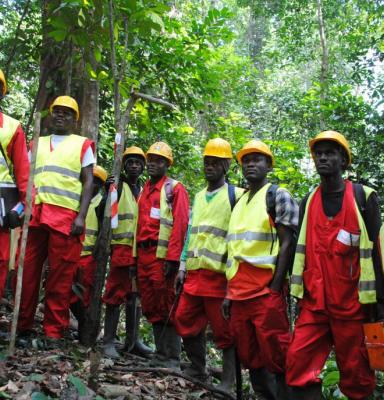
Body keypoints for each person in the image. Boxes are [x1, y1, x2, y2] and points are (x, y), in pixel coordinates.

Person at [286, 131, 384, 400]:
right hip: (314, 305)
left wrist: (381, 303)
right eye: (318, 153)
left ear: (343, 159)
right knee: (297, 363)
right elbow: (299, 251)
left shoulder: (363, 198)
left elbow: (378, 252)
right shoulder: (308, 202)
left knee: (357, 376)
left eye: (330, 153)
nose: (322, 158)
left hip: (352, 308)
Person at [222, 139, 298, 399]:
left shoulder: (277, 195)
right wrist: (228, 293)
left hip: (265, 292)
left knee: (277, 353)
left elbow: (288, 242)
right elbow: (234, 251)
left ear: (268, 165)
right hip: (239, 294)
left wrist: (276, 286)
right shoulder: (240, 201)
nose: (251, 164)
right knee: (250, 356)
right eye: (246, 160)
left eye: (257, 159)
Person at [16, 95, 95, 347]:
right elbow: (25, 177)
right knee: (27, 272)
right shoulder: (36, 143)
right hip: (35, 215)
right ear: (50, 115)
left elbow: (88, 181)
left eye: (67, 112)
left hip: (65, 218)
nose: (61, 115)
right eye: (57, 111)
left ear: (75, 120)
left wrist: (81, 216)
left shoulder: (82, 144)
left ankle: (53, 332)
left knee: (60, 279)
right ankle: (22, 326)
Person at [174, 138, 243, 390]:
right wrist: (182, 266)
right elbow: (190, 233)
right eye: (207, 162)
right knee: (183, 319)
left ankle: (227, 381)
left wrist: (234, 280)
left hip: (219, 277)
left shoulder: (236, 196)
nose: (209, 166)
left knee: (224, 331)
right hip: (194, 275)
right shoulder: (200, 196)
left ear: (226, 166)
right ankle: (198, 367)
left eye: (215, 162)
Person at [136, 141, 189, 369]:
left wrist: (172, 259)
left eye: (159, 160)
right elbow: (138, 226)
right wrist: (134, 258)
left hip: (162, 256)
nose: (153, 164)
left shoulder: (174, 189)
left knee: (167, 304)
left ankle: (172, 358)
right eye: (151, 160)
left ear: (167, 164)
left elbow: (180, 225)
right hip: (143, 255)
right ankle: (160, 354)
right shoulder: (144, 190)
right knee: (151, 305)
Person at [102, 146, 152, 359]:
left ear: (143, 167)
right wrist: (107, 192)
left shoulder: (145, 189)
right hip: (122, 249)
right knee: (115, 293)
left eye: (138, 163)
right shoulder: (118, 187)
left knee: (135, 295)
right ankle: (108, 341)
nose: (134, 166)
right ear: (124, 165)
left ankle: (133, 341)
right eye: (130, 162)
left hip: (141, 251)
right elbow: (103, 211)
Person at [0, 69, 29, 300]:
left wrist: (19, 209)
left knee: (0, 260)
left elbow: (24, 177)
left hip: (2, 208)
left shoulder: (12, 128)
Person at [70, 165, 107, 342]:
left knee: (84, 296)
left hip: (88, 258)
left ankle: (85, 330)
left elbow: (102, 230)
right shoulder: (77, 198)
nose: (92, 186)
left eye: (97, 183)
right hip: (72, 254)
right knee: (67, 292)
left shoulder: (101, 203)